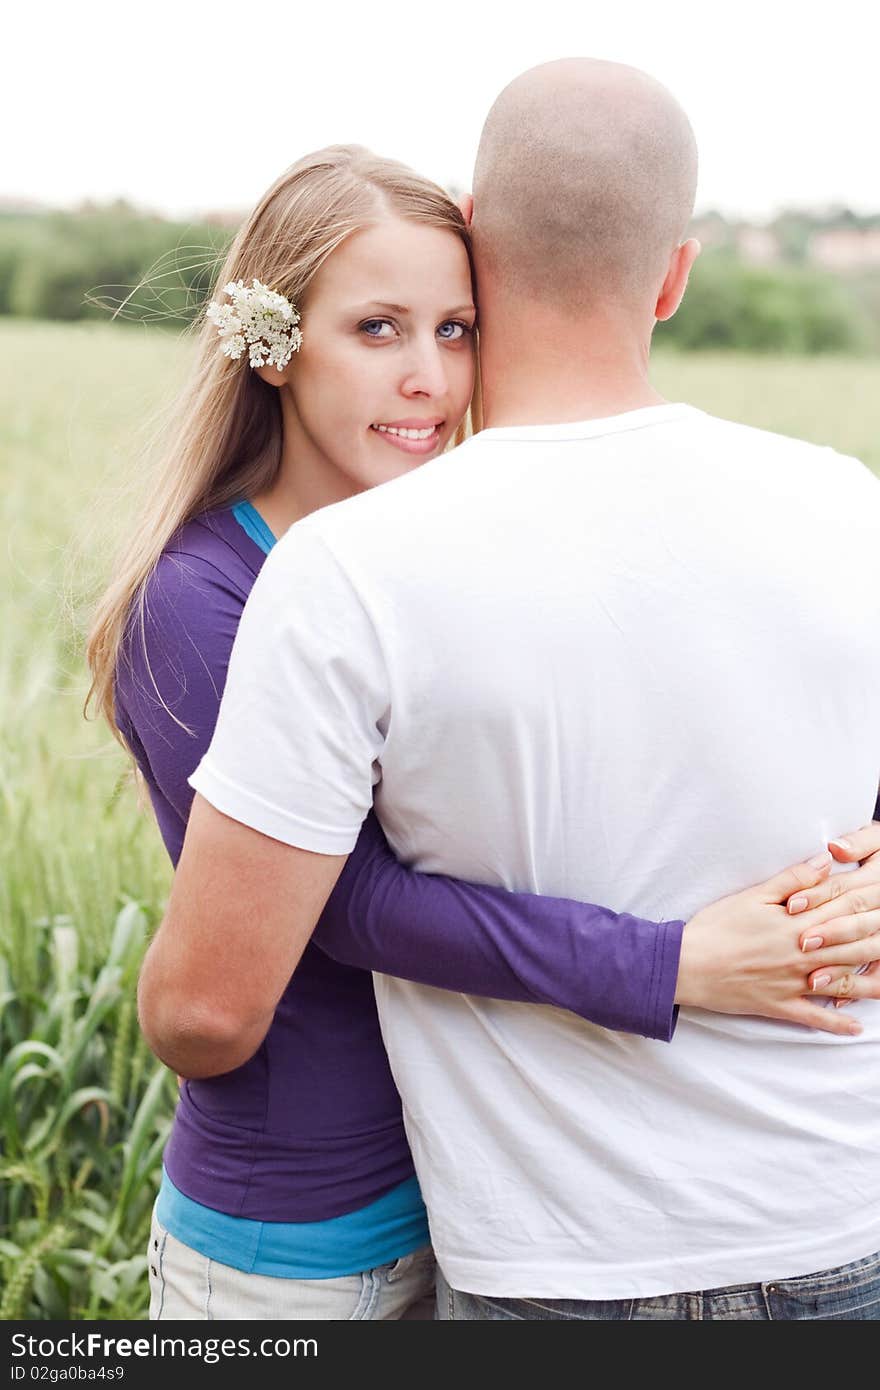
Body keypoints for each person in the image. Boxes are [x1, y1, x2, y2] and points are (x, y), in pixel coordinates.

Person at [98, 116, 880, 1322]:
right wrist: (670, 964)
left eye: (455, 330)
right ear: (272, 343)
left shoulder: (437, 559)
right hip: (312, 1218)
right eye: (376, 330)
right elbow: (330, 903)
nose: (429, 378)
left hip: (475, 1193)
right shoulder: (208, 599)